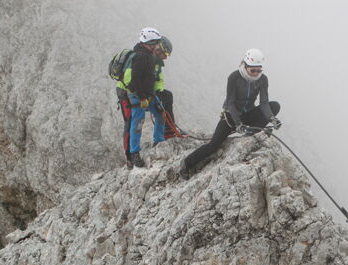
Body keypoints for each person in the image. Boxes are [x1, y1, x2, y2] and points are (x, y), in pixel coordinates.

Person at [179, 48, 281, 180]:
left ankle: (254, 132)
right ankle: (186, 164)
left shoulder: (262, 80)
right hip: (231, 117)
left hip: (248, 113)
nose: (256, 73)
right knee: (214, 145)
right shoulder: (234, 77)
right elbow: (231, 103)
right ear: (245, 66)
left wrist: (272, 119)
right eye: (253, 70)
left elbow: (264, 102)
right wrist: (238, 124)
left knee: (275, 106)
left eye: (259, 70)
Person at [116, 27, 166, 169]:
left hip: (146, 94)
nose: (156, 46)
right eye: (154, 43)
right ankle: (134, 153)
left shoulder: (148, 55)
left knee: (159, 112)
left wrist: (151, 95)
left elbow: (149, 78)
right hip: (137, 95)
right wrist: (142, 97)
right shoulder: (140, 56)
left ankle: (159, 140)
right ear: (147, 43)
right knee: (137, 121)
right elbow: (133, 80)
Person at [153, 35, 183, 139]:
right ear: (159, 49)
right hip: (143, 93)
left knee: (167, 96)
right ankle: (168, 130)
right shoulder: (148, 60)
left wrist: (159, 92)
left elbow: (159, 80)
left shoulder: (157, 62)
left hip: (151, 91)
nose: (166, 57)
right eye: (165, 54)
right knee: (165, 101)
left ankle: (169, 129)